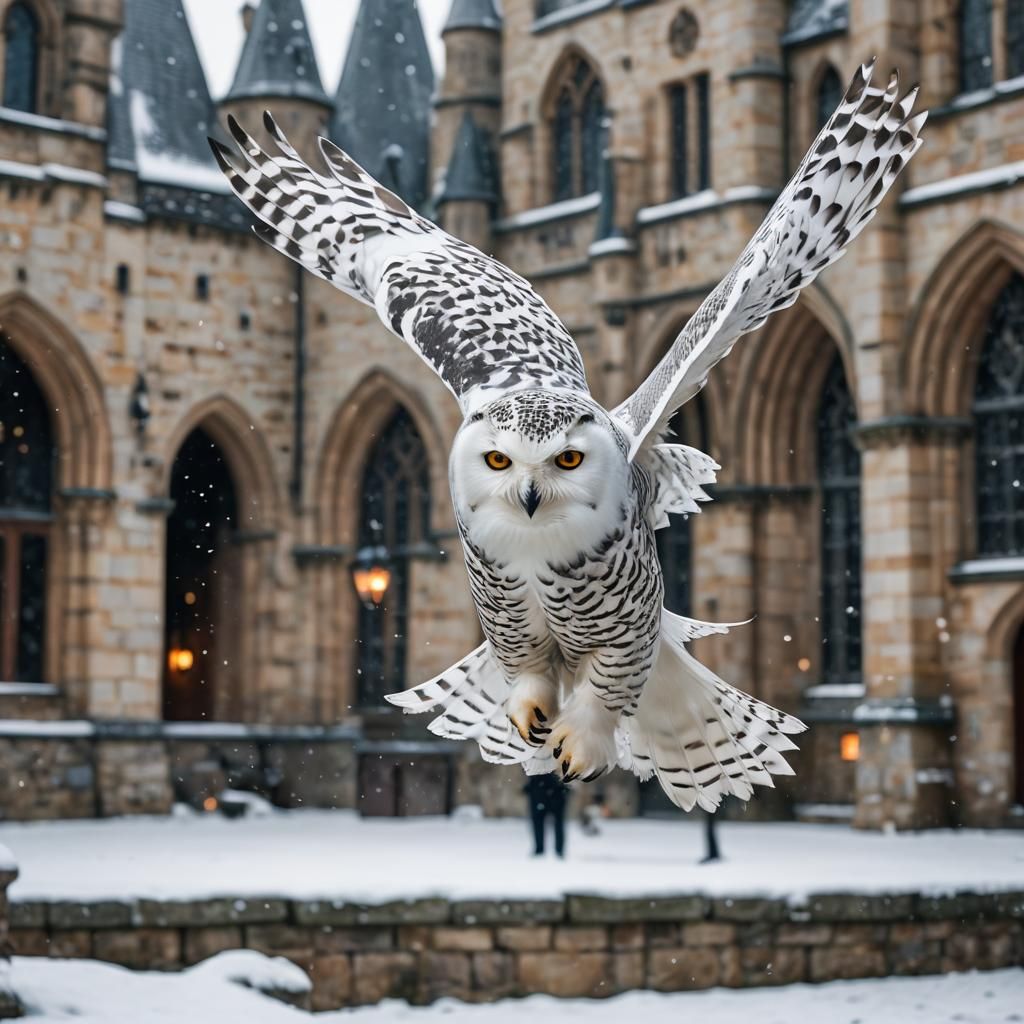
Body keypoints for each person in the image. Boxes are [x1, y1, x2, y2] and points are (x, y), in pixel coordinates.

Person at [524, 772, 568, 857]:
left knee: (541, 822)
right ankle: (553, 850)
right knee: (555, 823)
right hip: (554, 789)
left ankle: (544, 849)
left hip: (545, 788)